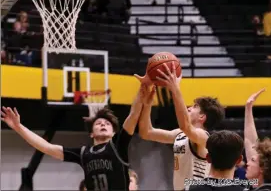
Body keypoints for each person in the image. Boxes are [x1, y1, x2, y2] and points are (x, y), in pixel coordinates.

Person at [1, 85, 145, 190]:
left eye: (107, 124)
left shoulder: (118, 145)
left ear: (114, 133)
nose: (103, 124)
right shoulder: (83, 153)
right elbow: (46, 147)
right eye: (98, 123)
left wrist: (144, 88)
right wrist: (19, 128)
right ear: (91, 133)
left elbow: (133, 116)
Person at [135, 62, 225, 190]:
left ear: (202, 117)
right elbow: (146, 132)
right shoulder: (181, 134)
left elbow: (186, 126)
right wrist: (147, 105)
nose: (189, 108)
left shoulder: (203, 137)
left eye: (194, 107)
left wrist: (175, 89)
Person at [244, 89, 271, 191]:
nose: (247, 163)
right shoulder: (256, 186)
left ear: (262, 168)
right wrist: (248, 108)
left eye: (252, 161)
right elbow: (250, 141)